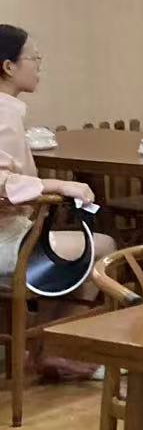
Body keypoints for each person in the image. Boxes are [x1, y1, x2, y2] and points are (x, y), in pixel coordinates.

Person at [0, 27, 115, 371]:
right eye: (33, 58)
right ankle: (52, 349)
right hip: (4, 242)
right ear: (8, 66)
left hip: (10, 232)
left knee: (67, 243)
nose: (39, 66)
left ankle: (41, 345)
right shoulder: (4, 113)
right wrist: (60, 186)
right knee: (103, 247)